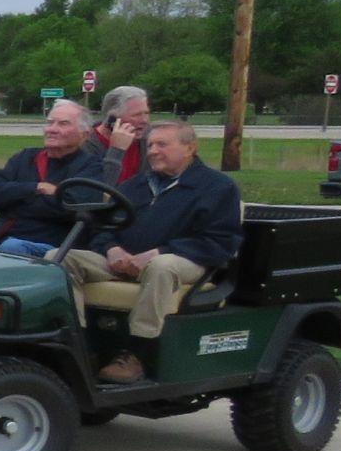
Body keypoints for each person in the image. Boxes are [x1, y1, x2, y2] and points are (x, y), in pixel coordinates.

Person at [61, 119, 242, 382]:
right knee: (62, 259)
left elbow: (220, 241)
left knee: (161, 266)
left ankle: (137, 354)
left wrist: (159, 252)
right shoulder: (136, 185)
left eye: (162, 144)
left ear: (190, 148)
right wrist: (112, 249)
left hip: (187, 261)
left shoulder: (216, 188)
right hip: (125, 259)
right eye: (149, 145)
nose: (153, 151)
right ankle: (78, 345)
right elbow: (103, 226)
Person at [0, 98, 108, 258]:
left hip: (52, 251)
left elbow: (72, 209)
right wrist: (35, 188)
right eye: (50, 123)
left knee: (13, 248)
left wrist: (12, 201)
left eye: (63, 124)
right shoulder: (25, 158)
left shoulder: (91, 167)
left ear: (84, 134)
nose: (52, 129)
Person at [88, 85, 149, 186]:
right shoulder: (87, 145)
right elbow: (101, 190)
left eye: (146, 113)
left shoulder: (149, 140)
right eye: (136, 115)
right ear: (112, 119)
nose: (144, 120)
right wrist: (117, 150)